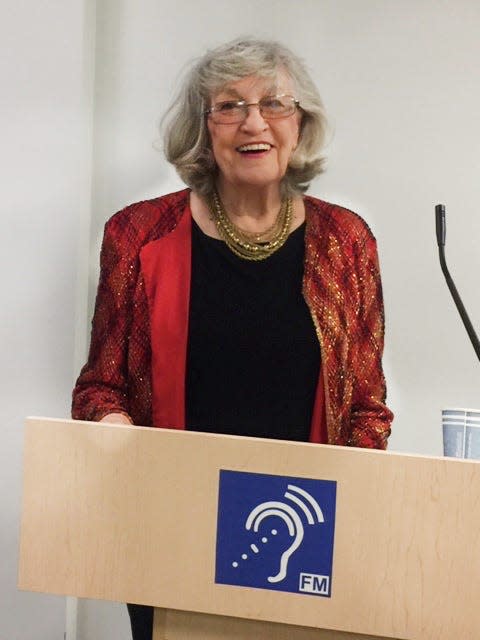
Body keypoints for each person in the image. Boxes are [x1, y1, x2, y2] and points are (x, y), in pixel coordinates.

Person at [72, 37, 393, 640]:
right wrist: (113, 430)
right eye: (230, 106)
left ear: (300, 126)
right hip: (173, 527)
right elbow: (99, 388)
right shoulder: (138, 235)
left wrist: (349, 511)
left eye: (275, 104)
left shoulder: (347, 242)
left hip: (304, 537)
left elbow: (368, 410)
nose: (254, 123)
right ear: (204, 128)